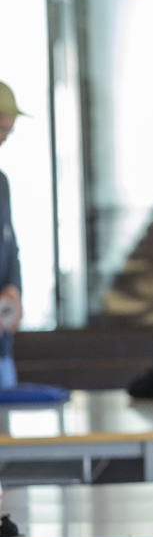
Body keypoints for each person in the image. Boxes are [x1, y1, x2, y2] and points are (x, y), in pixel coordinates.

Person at [0, 81, 25, 388]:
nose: (3, 139)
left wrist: (14, 292)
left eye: (8, 132)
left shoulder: (1, 184)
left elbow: (11, 249)